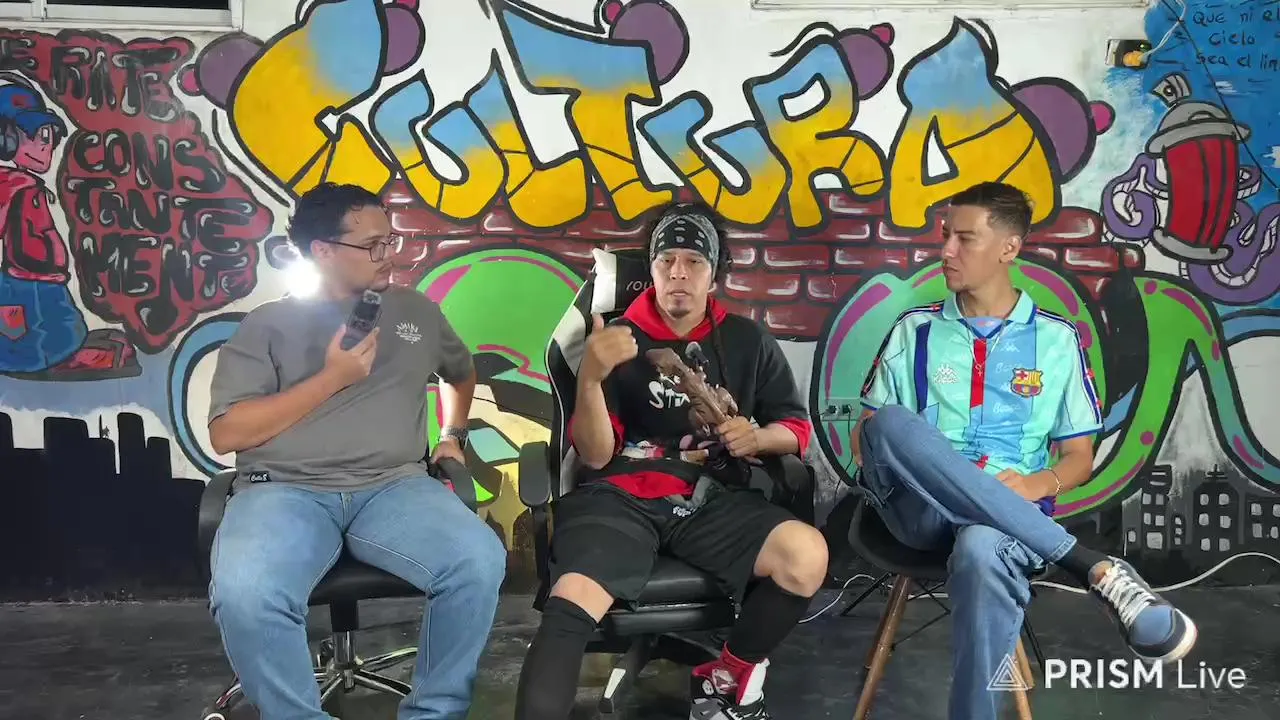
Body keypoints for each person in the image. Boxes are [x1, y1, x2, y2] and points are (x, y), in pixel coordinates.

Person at [851, 182, 1198, 720]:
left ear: (1009, 248)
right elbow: (868, 440)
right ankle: (1089, 565)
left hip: (1010, 517)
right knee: (890, 422)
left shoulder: (1057, 341)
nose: (946, 251)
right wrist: (949, 477)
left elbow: (1079, 458)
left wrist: (1034, 485)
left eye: (965, 238)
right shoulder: (913, 330)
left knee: (982, 546)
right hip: (918, 511)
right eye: (946, 236)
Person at [514, 202, 827, 720]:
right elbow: (596, 454)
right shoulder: (614, 339)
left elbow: (795, 430)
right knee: (571, 603)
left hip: (711, 497)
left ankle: (725, 677)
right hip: (619, 496)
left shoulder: (746, 340)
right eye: (666, 261)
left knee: (806, 555)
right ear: (652, 269)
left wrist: (756, 438)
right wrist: (590, 376)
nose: (679, 272)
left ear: (714, 272)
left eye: (694, 261)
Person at [205, 182, 506, 720]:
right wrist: (333, 377)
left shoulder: (416, 311)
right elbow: (228, 433)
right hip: (284, 491)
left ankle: (434, 713)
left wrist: (452, 437)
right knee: (246, 594)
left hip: (395, 487)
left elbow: (461, 374)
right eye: (372, 245)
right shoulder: (267, 325)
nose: (389, 254)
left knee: (478, 561)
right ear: (322, 250)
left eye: (390, 241)